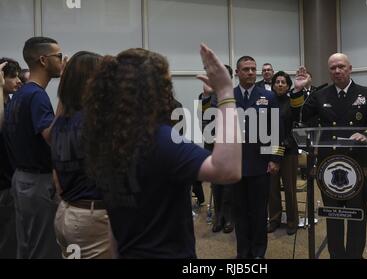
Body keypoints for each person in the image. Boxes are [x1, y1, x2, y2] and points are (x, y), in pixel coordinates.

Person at [83, 45, 241, 259]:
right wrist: (225, 92)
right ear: (156, 88)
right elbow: (227, 170)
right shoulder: (159, 140)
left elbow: (114, 221)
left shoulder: (106, 139)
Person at [301, 53, 367, 259]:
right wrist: (300, 90)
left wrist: (366, 134)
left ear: (350, 68)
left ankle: (354, 255)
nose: (337, 71)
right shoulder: (320, 95)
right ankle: (336, 255)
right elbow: (302, 119)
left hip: (358, 164)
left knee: (357, 214)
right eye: (332, 68)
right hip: (329, 165)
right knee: (333, 214)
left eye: (341, 66)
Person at [2, 37, 64, 258]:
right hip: (37, 182)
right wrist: (66, 94)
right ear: (44, 60)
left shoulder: (20, 95)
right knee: (43, 249)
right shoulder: (36, 95)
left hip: (21, 178)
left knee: (26, 247)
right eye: (59, 56)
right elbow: (52, 135)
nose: (62, 61)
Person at [51, 51, 115, 259]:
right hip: (91, 217)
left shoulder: (61, 122)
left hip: (67, 211)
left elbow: (57, 177)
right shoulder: (94, 122)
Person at [231, 56, 282, 259]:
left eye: (253, 69)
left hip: (260, 165)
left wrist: (276, 159)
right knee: (240, 212)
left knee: (259, 212)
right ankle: (243, 252)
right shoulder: (228, 97)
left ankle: (259, 252)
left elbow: (277, 130)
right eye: (246, 69)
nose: (251, 72)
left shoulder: (267, 97)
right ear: (237, 73)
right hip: (234, 166)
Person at [200, 64, 234, 233]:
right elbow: (204, 119)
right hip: (212, 145)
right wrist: (206, 95)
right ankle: (218, 215)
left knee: (228, 184)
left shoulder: (235, 94)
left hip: (231, 146)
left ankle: (229, 216)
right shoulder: (207, 95)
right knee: (216, 183)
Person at [267, 71, 299, 235]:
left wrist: (280, 148)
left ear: (288, 86)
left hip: (288, 151)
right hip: (270, 150)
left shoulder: (292, 102)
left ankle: (292, 221)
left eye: (283, 82)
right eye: (277, 82)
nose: (280, 84)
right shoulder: (267, 102)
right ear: (272, 85)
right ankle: (274, 219)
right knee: (271, 188)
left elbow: (294, 129)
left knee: (289, 188)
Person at [0, 59, 21, 258]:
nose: (17, 81)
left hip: (11, 180)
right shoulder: (3, 104)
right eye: (11, 76)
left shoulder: (12, 102)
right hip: (3, 182)